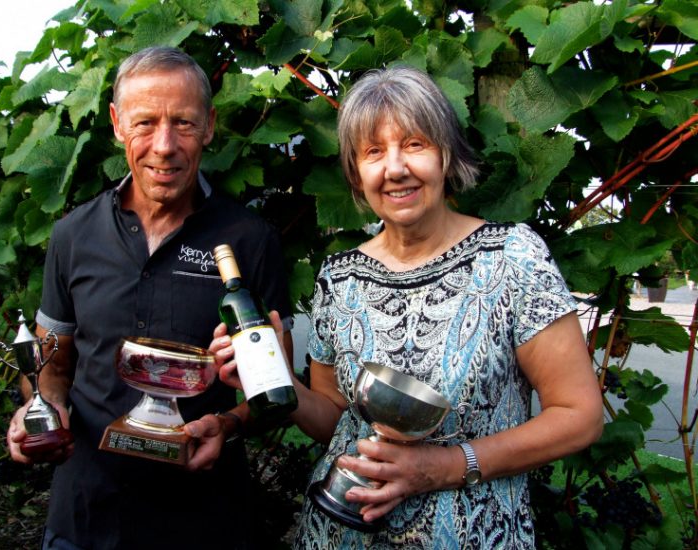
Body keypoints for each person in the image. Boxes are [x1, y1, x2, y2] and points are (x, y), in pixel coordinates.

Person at [210, 66, 603, 548]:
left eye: (414, 144)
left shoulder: (512, 258)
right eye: (374, 152)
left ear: (446, 155)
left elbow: (579, 415)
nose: (394, 168)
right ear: (357, 174)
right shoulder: (340, 277)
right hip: (338, 535)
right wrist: (276, 380)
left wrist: (443, 467)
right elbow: (336, 418)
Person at [6, 46, 293, 550]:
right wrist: (40, 412)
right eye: (144, 123)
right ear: (117, 124)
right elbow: (52, 367)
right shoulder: (73, 235)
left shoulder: (250, 240)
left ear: (209, 126)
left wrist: (226, 424)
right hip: (85, 521)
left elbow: (276, 390)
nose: (164, 145)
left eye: (183, 122)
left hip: (205, 525)